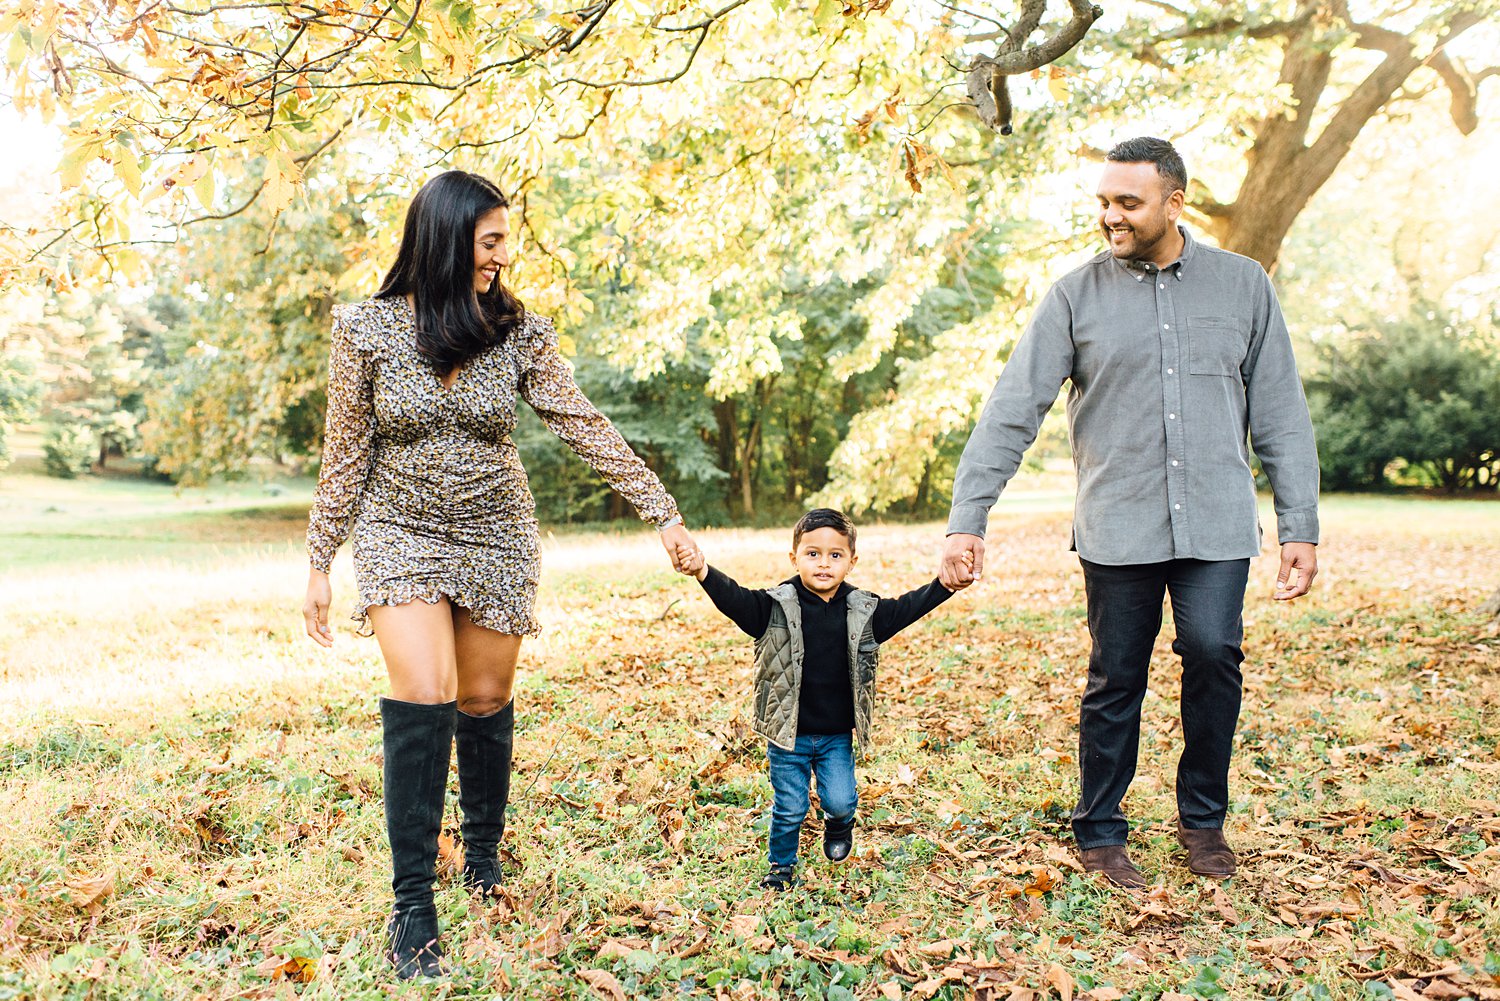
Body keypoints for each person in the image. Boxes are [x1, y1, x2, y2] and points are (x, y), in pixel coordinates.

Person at [300, 170, 701, 978]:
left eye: (505, 242)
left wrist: (661, 509)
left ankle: (481, 855)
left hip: (495, 530)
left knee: (483, 698)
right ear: (448, 240)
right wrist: (319, 560)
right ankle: (413, 904)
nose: (502, 257)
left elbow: (580, 422)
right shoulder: (366, 330)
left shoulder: (518, 331)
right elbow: (346, 452)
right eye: (490, 241)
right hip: (398, 529)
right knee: (426, 689)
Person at [938, 137, 1320, 888]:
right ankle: (1102, 829)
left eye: (1127, 202)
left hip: (1215, 521)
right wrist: (967, 515)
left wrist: (1299, 524)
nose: (1110, 215)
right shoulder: (1074, 296)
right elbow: (1014, 409)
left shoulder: (1244, 287)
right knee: (1116, 677)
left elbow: (1280, 410)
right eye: (1103, 202)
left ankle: (1203, 822)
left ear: (1174, 203)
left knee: (1214, 655)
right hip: (1119, 524)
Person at [690, 508, 962, 890]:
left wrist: (945, 586)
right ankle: (781, 867)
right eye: (812, 553)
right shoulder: (773, 607)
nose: (823, 563)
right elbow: (733, 599)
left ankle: (838, 825)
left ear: (852, 562)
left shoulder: (864, 610)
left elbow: (906, 609)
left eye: (835, 555)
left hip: (836, 735)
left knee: (841, 801)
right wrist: (703, 571)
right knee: (790, 808)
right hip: (787, 734)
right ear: (794, 557)